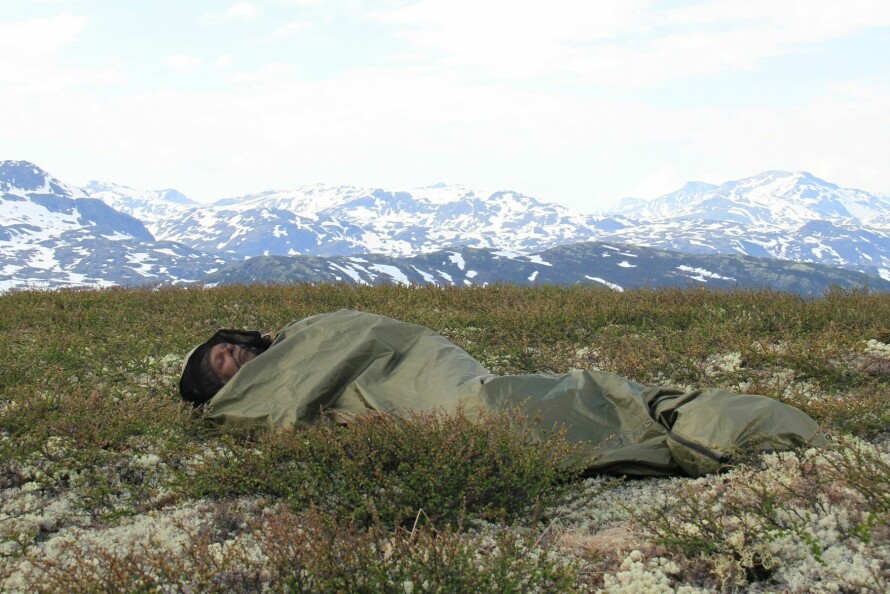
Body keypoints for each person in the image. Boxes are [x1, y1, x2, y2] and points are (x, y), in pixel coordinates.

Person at [180, 309, 826, 477]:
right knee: (483, 423)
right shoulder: (249, 398)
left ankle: (689, 417)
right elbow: (288, 408)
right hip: (384, 397)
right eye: (221, 370)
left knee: (486, 407)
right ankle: (685, 428)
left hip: (421, 367)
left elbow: (373, 338)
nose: (232, 360)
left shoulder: (307, 332)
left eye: (224, 349)